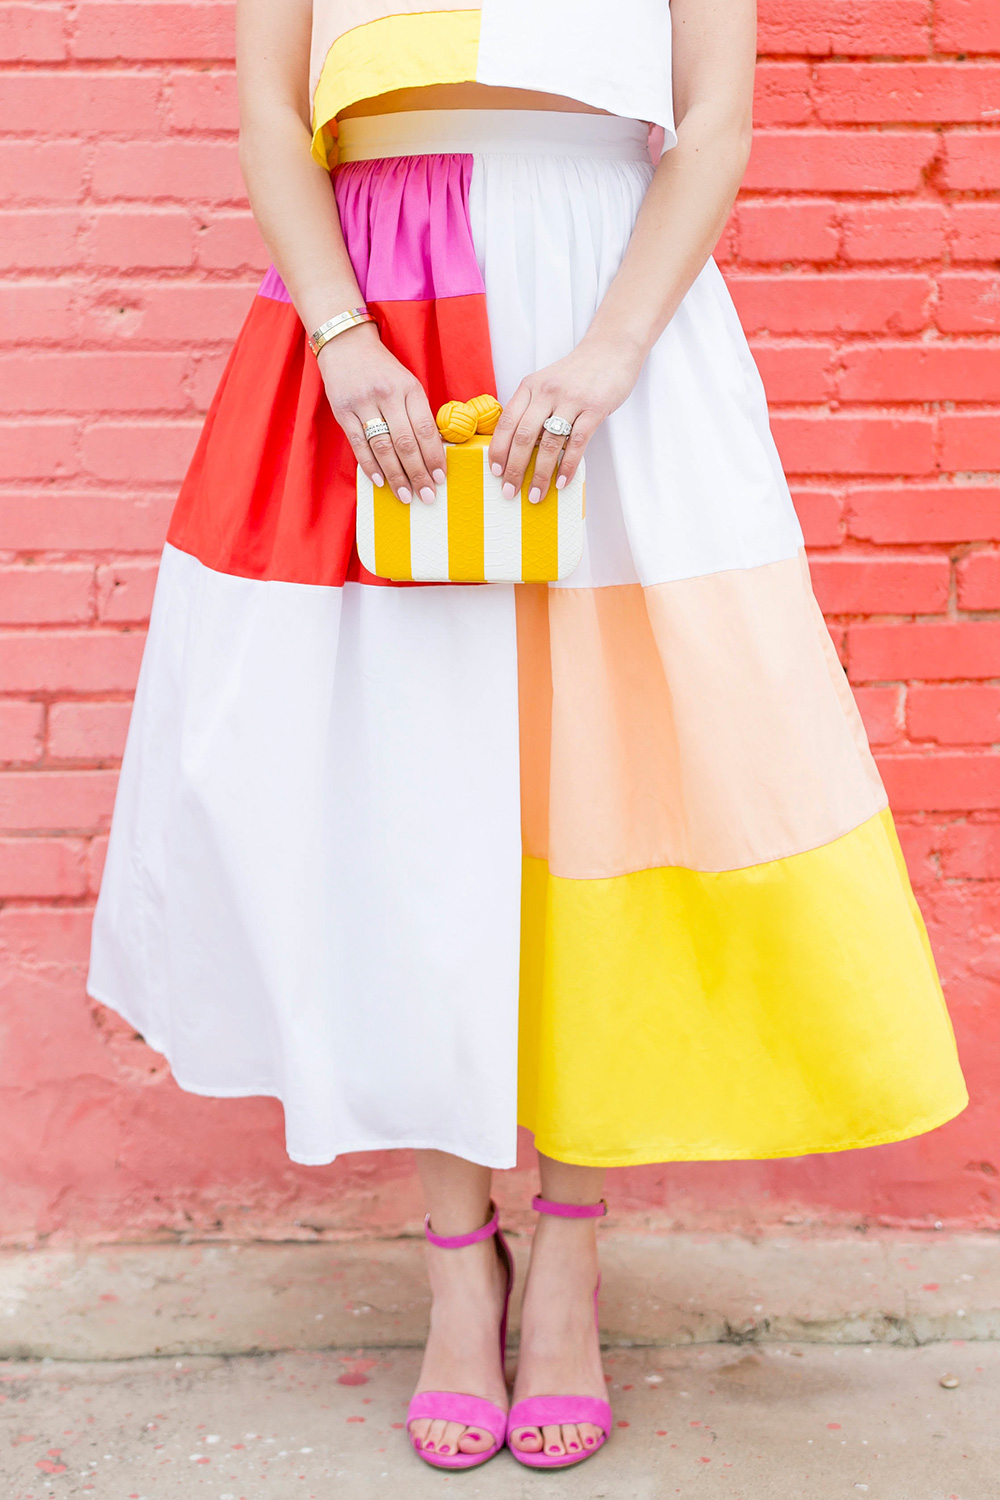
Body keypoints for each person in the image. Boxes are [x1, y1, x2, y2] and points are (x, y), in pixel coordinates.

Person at [88, 0, 968, 1473]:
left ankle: (565, 1255)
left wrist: (615, 351)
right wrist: (343, 338)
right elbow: (271, 112)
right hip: (375, 335)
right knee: (415, 790)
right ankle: (454, 1260)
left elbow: (714, 124)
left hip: (612, 330)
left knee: (598, 786)